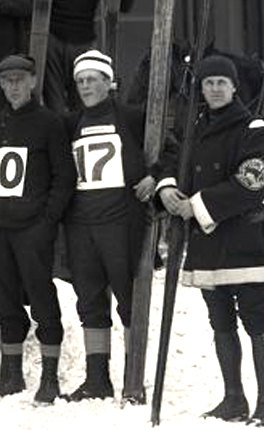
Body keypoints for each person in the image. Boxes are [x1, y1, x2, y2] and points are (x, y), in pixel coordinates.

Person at [160, 55, 264, 427]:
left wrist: (194, 206)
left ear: (233, 88)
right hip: (208, 244)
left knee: (256, 321)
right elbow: (174, 159)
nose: (214, 89)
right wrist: (167, 188)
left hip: (244, 240)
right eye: (208, 82)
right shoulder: (196, 128)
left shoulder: (253, 128)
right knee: (221, 323)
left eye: (221, 83)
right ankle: (233, 399)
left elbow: (251, 181)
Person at [61, 50, 177, 401]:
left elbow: (171, 149)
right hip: (82, 225)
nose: (85, 87)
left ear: (108, 83)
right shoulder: (71, 122)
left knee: (128, 300)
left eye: (92, 80)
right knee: (90, 301)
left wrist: (153, 177)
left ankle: (133, 375)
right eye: (80, 81)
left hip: (121, 223)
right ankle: (97, 378)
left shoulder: (131, 117)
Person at [0, 55, 75, 404]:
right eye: (6, 81)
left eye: (19, 79)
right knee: (4, 300)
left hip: (31, 229)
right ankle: (11, 375)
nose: (13, 86)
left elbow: (64, 178)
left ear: (33, 81)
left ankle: (49, 378)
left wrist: (47, 221)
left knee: (41, 298)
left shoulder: (49, 123)